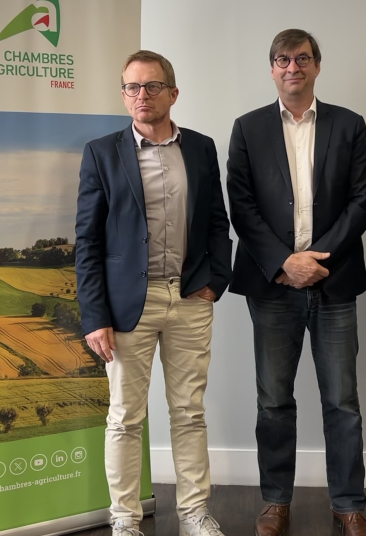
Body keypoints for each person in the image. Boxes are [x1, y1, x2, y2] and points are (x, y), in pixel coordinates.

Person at [75, 50, 233, 536]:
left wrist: (216, 281)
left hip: (189, 299)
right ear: (124, 95)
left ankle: (194, 514)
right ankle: (125, 520)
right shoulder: (101, 153)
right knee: (125, 417)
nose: (141, 95)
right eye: (132, 87)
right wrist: (95, 315)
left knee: (189, 413)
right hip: (126, 307)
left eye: (152, 86)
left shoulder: (201, 148)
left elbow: (217, 221)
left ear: (173, 93)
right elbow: (88, 240)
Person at [227, 29, 366, 536]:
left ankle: (349, 505)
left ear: (317, 65)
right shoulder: (247, 128)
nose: (293, 67)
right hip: (272, 286)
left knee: (343, 401)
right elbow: (241, 206)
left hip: (333, 282)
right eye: (283, 59)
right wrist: (284, 262)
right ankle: (275, 501)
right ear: (272, 68)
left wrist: (315, 261)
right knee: (273, 401)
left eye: (303, 58)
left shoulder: (348, 124)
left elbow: (362, 202)